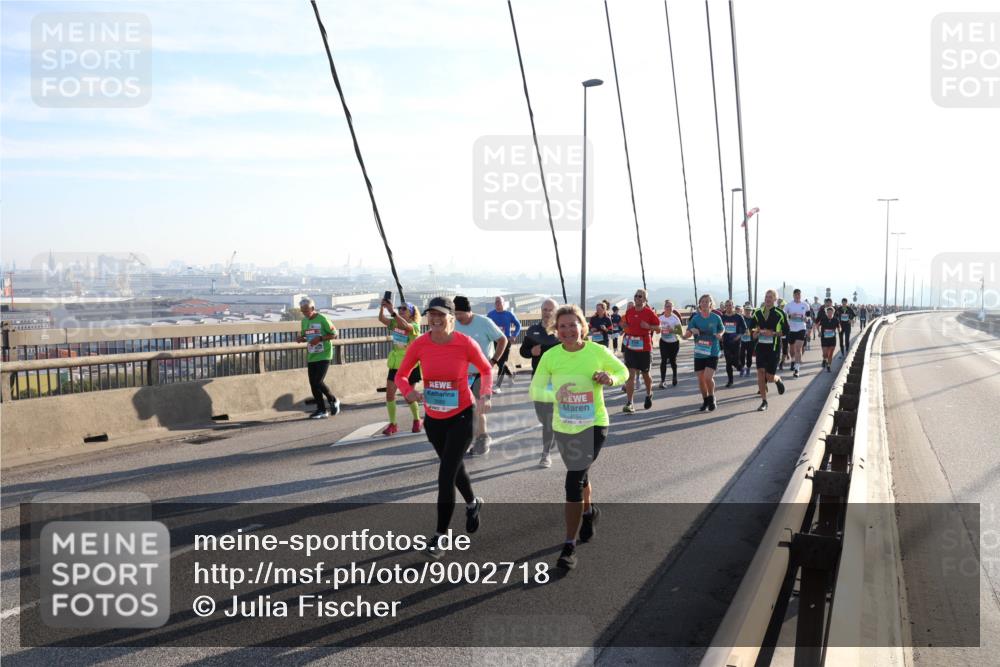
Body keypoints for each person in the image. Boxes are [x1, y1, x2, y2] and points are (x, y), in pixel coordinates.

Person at [529, 304, 628, 571]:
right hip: (564, 426)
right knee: (581, 476)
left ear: (582, 326)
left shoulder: (597, 351)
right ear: (555, 330)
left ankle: (568, 546)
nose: (568, 330)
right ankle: (588, 512)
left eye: (573, 324)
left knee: (573, 480)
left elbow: (623, 372)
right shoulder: (551, 356)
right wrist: (554, 396)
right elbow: (536, 390)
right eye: (562, 326)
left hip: (594, 424)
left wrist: (610, 378)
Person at [395, 296, 491, 560]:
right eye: (431, 315)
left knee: (446, 474)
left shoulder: (465, 343)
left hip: (462, 414)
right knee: (455, 466)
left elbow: (485, 370)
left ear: (451, 317)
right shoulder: (420, 344)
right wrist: (408, 392)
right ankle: (473, 504)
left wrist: (485, 395)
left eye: (440, 315)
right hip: (434, 418)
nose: (435, 320)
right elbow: (400, 375)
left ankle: (440, 535)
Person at [455, 296, 507, 455]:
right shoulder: (452, 324)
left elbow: (502, 339)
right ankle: (465, 440)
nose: (458, 318)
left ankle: (483, 438)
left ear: (469, 311)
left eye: (460, 314)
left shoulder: (484, 322)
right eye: (455, 314)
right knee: (461, 411)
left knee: (479, 408)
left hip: (480, 374)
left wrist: (494, 360)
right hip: (461, 375)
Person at [520, 297, 561, 468]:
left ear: (556, 312)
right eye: (545, 309)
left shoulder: (561, 331)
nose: (547, 312)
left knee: (549, 417)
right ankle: (553, 434)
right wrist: (531, 351)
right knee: (542, 417)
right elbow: (523, 351)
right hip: (538, 379)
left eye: (550, 310)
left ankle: (545, 455)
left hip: (556, 380)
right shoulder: (533, 330)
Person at [377, 298, 422, 435]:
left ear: (411, 313)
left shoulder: (414, 326)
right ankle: (393, 424)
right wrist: (382, 308)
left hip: (410, 365)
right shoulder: (395, 323)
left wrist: (392, 311)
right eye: (400, 308)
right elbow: (381, 319)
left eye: (404, 309)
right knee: (390, 395)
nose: (400, 310)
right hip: (396, 364)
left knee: (409, 397)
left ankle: (416, 420)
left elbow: (405, 327)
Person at [295, 297, 341, 419]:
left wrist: (320, 339)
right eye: (302, 311)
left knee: (318, 381)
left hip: (324, 354)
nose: (305, 313)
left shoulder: (323, 319)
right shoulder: (304, 321)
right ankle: (321, 410)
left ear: (313, 308)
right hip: (312, 355)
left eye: (306, 310)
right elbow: (307, 337)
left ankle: (333, 400)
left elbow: (335, 334)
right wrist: (301, 339)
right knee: (313, 384)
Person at [684, 294, 726, 410]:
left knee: (708, 377)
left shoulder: (716, 317)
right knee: (701, 379)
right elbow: (687, 334)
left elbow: (722, 329)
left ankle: (712, 398)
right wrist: (687, 334)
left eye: (707, 301)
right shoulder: (695, 318)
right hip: (699, 352)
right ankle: (705, 401)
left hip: (712, 351)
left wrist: (720, 334)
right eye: (702, 301)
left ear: (711, 304)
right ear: (700, 304)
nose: (704, 303)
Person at [622, 289, 659, 413]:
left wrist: (648, 327)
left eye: (640, 296)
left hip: (644, 347)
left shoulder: (649, 313)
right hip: (631, 347)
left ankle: (649, 394)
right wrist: (625, 327)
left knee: (645, 374)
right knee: (630, 375)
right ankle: (629, 403)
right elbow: (624, 323)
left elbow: (658, 328)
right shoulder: (630, 311)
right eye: (636, 296)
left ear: (645, 299)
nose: (637, 298)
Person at [750, 289, 787, 412]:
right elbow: (752, 328)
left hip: (774, 348)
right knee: (760, 372)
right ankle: (764, 401)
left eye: (771, 297)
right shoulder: (757, 312)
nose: (768, 299)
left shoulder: (780, 313)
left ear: (775, 299)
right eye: (766, 296)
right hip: (761, 347)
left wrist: (774, 333)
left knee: (769, 376)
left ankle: (777, 379)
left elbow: (786, 331)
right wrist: (755, 333)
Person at [487, 296, 521, 393]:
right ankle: (510, 376)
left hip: (506, 341)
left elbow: (518, 325)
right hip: (494, 341)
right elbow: (486, 326)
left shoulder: (509, 314)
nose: (498, 304)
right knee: (499, 362)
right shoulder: (490, 314)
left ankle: (497, 386)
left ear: (504, 303)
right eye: (496, 302)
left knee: (501, 363)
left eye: (499, 302)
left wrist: (514, 335)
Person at [720, 300, 747, 388]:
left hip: (736, 342)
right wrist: (721, 336)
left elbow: (744, 328)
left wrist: (739, 336)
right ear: (725, 307)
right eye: (726, 306)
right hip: (726, 342)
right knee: (728, 362)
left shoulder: (738, 317)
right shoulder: (722, 317)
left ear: (733, 306)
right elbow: (719, 328)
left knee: (735, 360)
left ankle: (740, 368)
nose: (728, 307)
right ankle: (730, 381)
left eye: (730, 305)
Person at [784, 289, 810, 378]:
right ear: (793, 295)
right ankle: (793, 360)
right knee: (792, 350)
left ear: (801, 295)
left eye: (799, 294)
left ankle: (797, 369)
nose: (798, 296)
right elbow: (783, 316)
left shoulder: (805, 305)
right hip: (791, 329)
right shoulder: (789, 305)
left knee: (798, 349)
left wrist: (806, 319)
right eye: (796, 294)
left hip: (801, 328)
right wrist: (790, 316)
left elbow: (808, 317)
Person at [657, 299, 683, 389]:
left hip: (674, 342)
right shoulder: (660, 318)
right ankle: (663, 381)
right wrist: (657, 330)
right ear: (664, 308)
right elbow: (657, 329)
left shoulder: (675, 318)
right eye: (667, 306)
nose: (668, 308)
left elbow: (680, 331)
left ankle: (674, 376)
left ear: (673, 308)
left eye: (670, 306)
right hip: (664, 342)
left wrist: (672, 330)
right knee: (663, 360)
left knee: (672, 361)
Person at [814, 304, 840, 371]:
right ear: (826, 313)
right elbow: (817, 325)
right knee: (825, 353)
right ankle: (824, 359)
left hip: (832, 339)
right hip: (824, 338)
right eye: (828, 312)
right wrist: (819, 332)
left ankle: (829, 366)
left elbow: (839, 326)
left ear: (833, 313)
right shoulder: (823, 319)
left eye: (831, 312)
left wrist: (839, 330)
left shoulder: (835, 320)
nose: (829, 313)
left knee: (831, 353)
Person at [739, 301, 755, 377]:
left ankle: (748, 368)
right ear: (744, 311)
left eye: (749, 310)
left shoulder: (754, 319)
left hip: (750, 340)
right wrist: (742, 331)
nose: (748, 312)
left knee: (749, 356)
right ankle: (742, 368)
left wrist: (751, 332)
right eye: (746, 310)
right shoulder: (741, 318)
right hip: (742, 340)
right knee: (741, 355)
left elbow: (756, 329)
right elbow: (738, 327)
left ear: (751, 311)